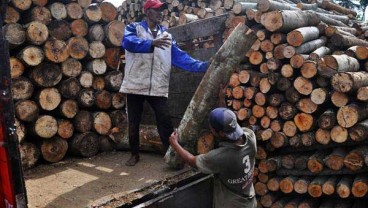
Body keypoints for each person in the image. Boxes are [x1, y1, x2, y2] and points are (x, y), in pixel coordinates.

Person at [119, 0, 209, 166]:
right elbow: (128, 43)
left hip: (157, 86)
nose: (161, 13)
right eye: (156, 10)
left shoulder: (167, 36)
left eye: (162, 10)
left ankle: (171, 155)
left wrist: (203, 66)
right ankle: (134, 154)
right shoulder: (134, 28)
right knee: (134, 122)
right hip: (135, 85)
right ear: (147, 12)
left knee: (165, 120)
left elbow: (180, 57)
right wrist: (151, 43)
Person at [169, 107, 257, 208]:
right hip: (250, 200)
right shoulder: (250, 137)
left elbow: (192, 161)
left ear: (221, 133)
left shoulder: (221, 157)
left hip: (232, 204)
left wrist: (174, 143)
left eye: (211, 127)